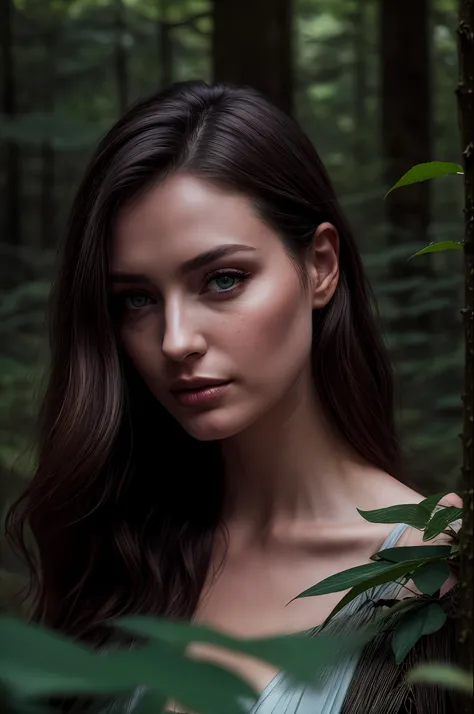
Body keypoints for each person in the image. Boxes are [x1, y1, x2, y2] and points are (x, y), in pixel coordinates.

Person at [5, 80, 462, 714]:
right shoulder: (121, 551)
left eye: (222, 279)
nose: (174, 340)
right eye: (135, 299)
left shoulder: (436, 565)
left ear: (321, 266)